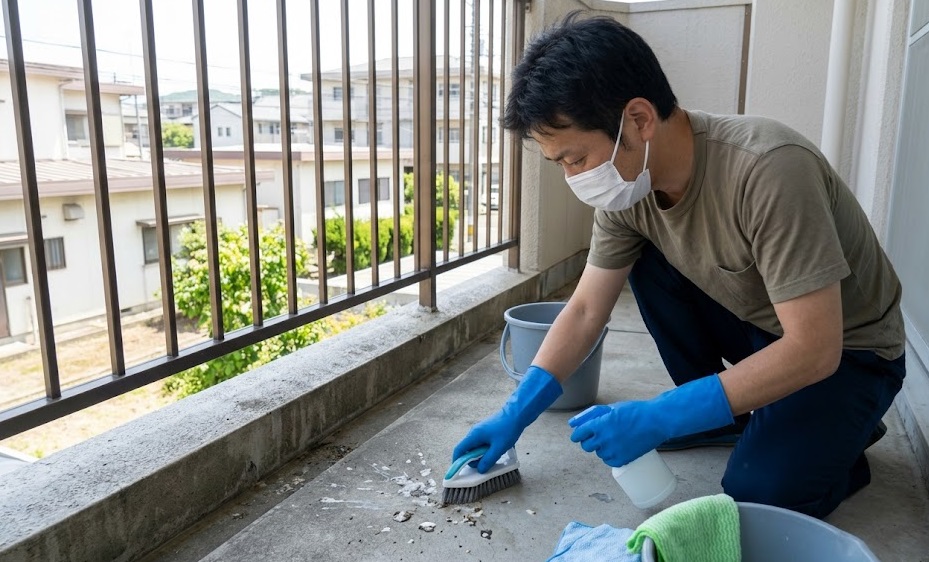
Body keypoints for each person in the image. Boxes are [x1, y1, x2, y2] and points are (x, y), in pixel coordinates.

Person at [452, 12, 905, 519]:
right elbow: (584, 310)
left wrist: (662, 415)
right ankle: (725, 418)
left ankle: (843, 440)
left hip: (849, 352)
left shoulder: (768, 168)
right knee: (643, 258)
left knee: (756, 494)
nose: (572, 177)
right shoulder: (629, 191)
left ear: (639, 119)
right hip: (761, 325)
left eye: (575, 159)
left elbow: (815, 349)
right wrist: (515, 413)